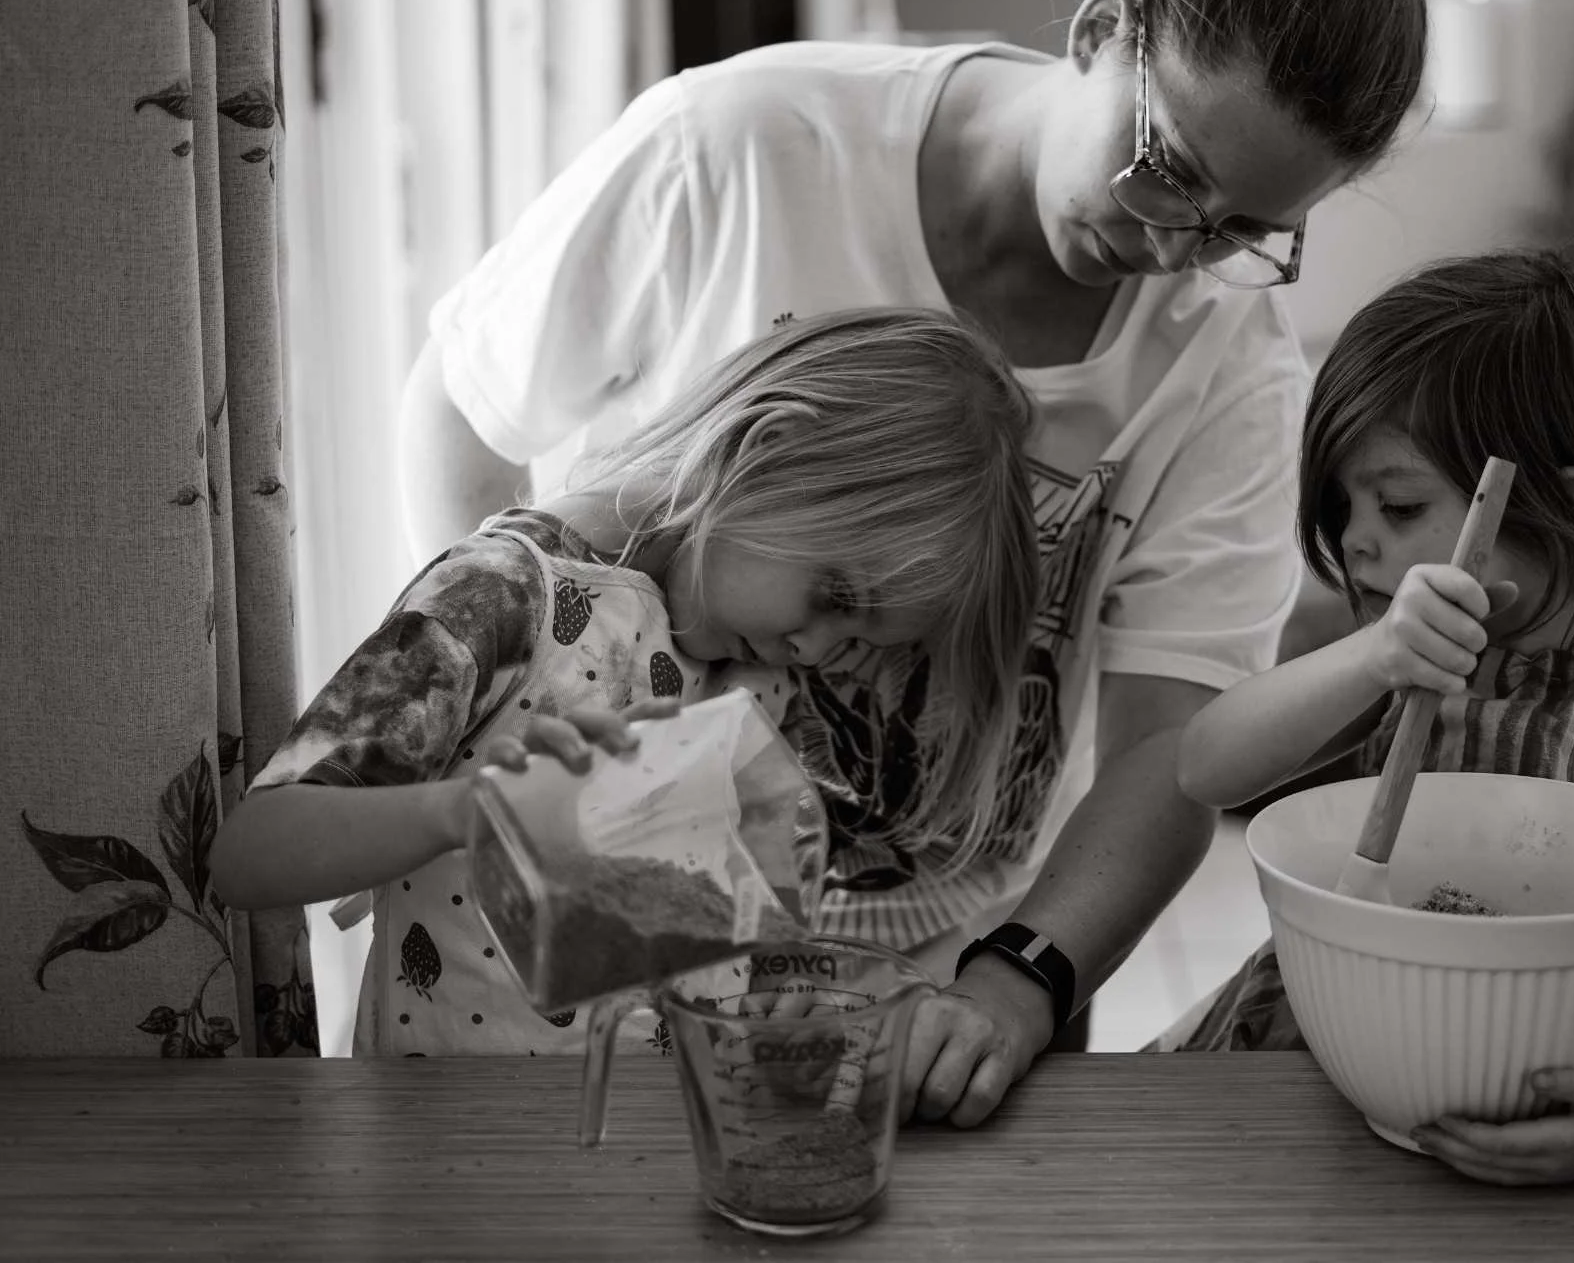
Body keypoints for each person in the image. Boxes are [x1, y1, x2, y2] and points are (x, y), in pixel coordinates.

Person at [397, 0, 1452, 1122]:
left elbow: (1164, 748)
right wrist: (477, 707)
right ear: (1097, 29)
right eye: (1165, 167)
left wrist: (1019, 982)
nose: (1171, 245)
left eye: (1242, 231)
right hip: (615, 936)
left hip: (947, 980)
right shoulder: (739, 147)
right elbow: (465, 407)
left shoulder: (1229, 374)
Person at [209, 309, 1038, 1056]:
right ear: (770, 447)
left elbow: (708, 946)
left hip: (643, 1162)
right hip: (449, 1161)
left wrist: (781, 989)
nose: (816, 649)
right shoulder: (500, 597)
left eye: (854, 639)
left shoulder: (749, 684)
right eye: (834, 596)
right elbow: (250, 856)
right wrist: (460, 811)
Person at [1162, 246, 1574, 1185]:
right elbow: (1203, 768)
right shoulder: (1400, 666)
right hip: (1326, 1091)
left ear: (1561, 507)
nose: (1357, 537)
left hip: (1545, 1126)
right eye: (1344, 504)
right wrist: (1371, 659)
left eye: (1400, 503)